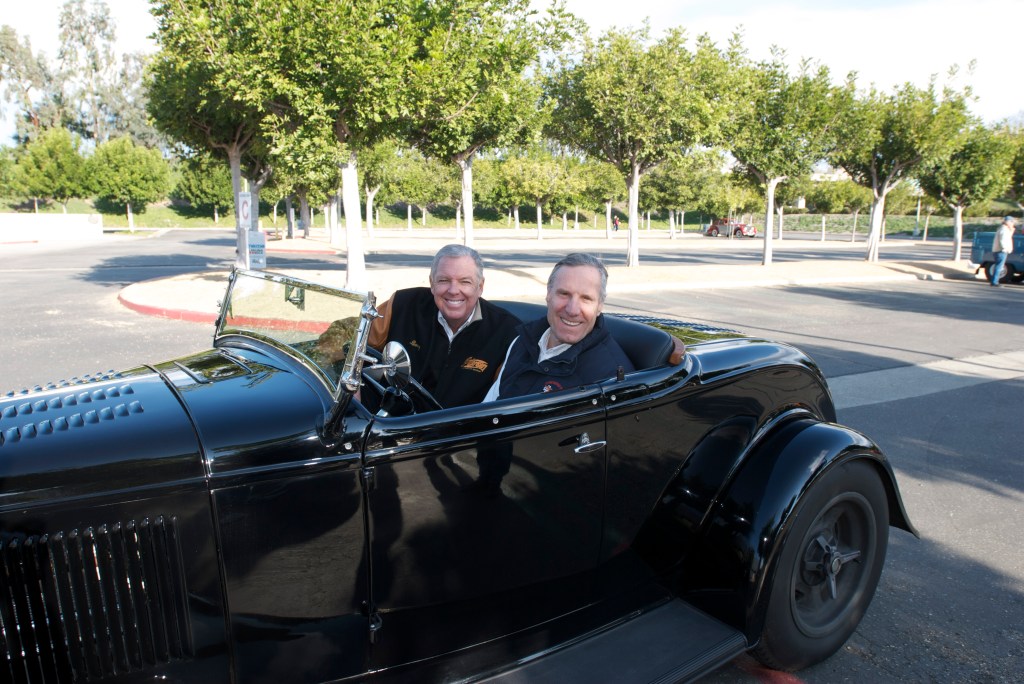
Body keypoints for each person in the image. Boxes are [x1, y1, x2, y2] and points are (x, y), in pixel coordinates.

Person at [367, 244, 520, 407]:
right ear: (432, 283)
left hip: (459, 429)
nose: (454, 290)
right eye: (444, 280)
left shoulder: (508, 332)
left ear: (480, 287)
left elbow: (506, 401)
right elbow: (352, 341)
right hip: (389, 422)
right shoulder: (401, 304)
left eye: (465, 282)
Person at [483, 253, 634, 401]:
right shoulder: (521, 341)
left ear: (600, 305)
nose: (572, 310)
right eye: (564, 294)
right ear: (548, 294)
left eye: (586, 298)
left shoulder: (612, 379)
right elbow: (489, 406)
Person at [990, 215, 1016, 287]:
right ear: (1008, 222)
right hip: (1001, 251)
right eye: (1012, 222)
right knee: (999, 266)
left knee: (999, 266)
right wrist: (1005, 249)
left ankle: (994, 281)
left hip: (998, 250)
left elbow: (1007, 238)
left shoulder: (1003, 229)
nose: (1013, 224)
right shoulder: (1004, 230)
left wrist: (1011, 230)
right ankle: (994, 282)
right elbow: (1003, 240)